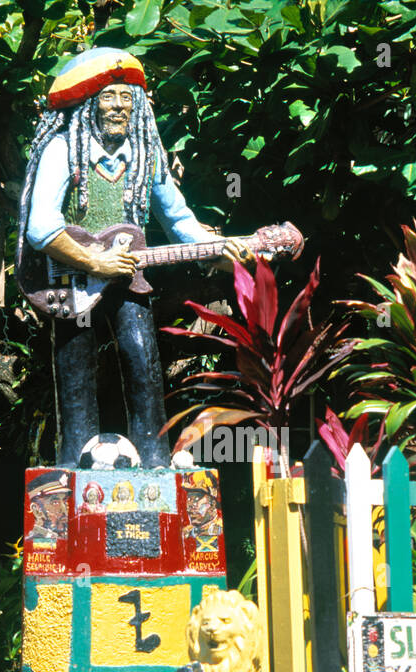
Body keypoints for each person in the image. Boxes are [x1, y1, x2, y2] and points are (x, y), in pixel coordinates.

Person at [17, 47, 251, 468]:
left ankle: (156, 461)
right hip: (70, 283)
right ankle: (74, 465)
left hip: (130, 279)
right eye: (109, 97)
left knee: (142, 361)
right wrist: (95, 262)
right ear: (90, 101)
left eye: (128, 98)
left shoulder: (146, 157)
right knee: (74, 372)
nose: (119, 107)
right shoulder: (62, 150)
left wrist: (222, 250)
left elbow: (180, 220)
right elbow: (41, 228)